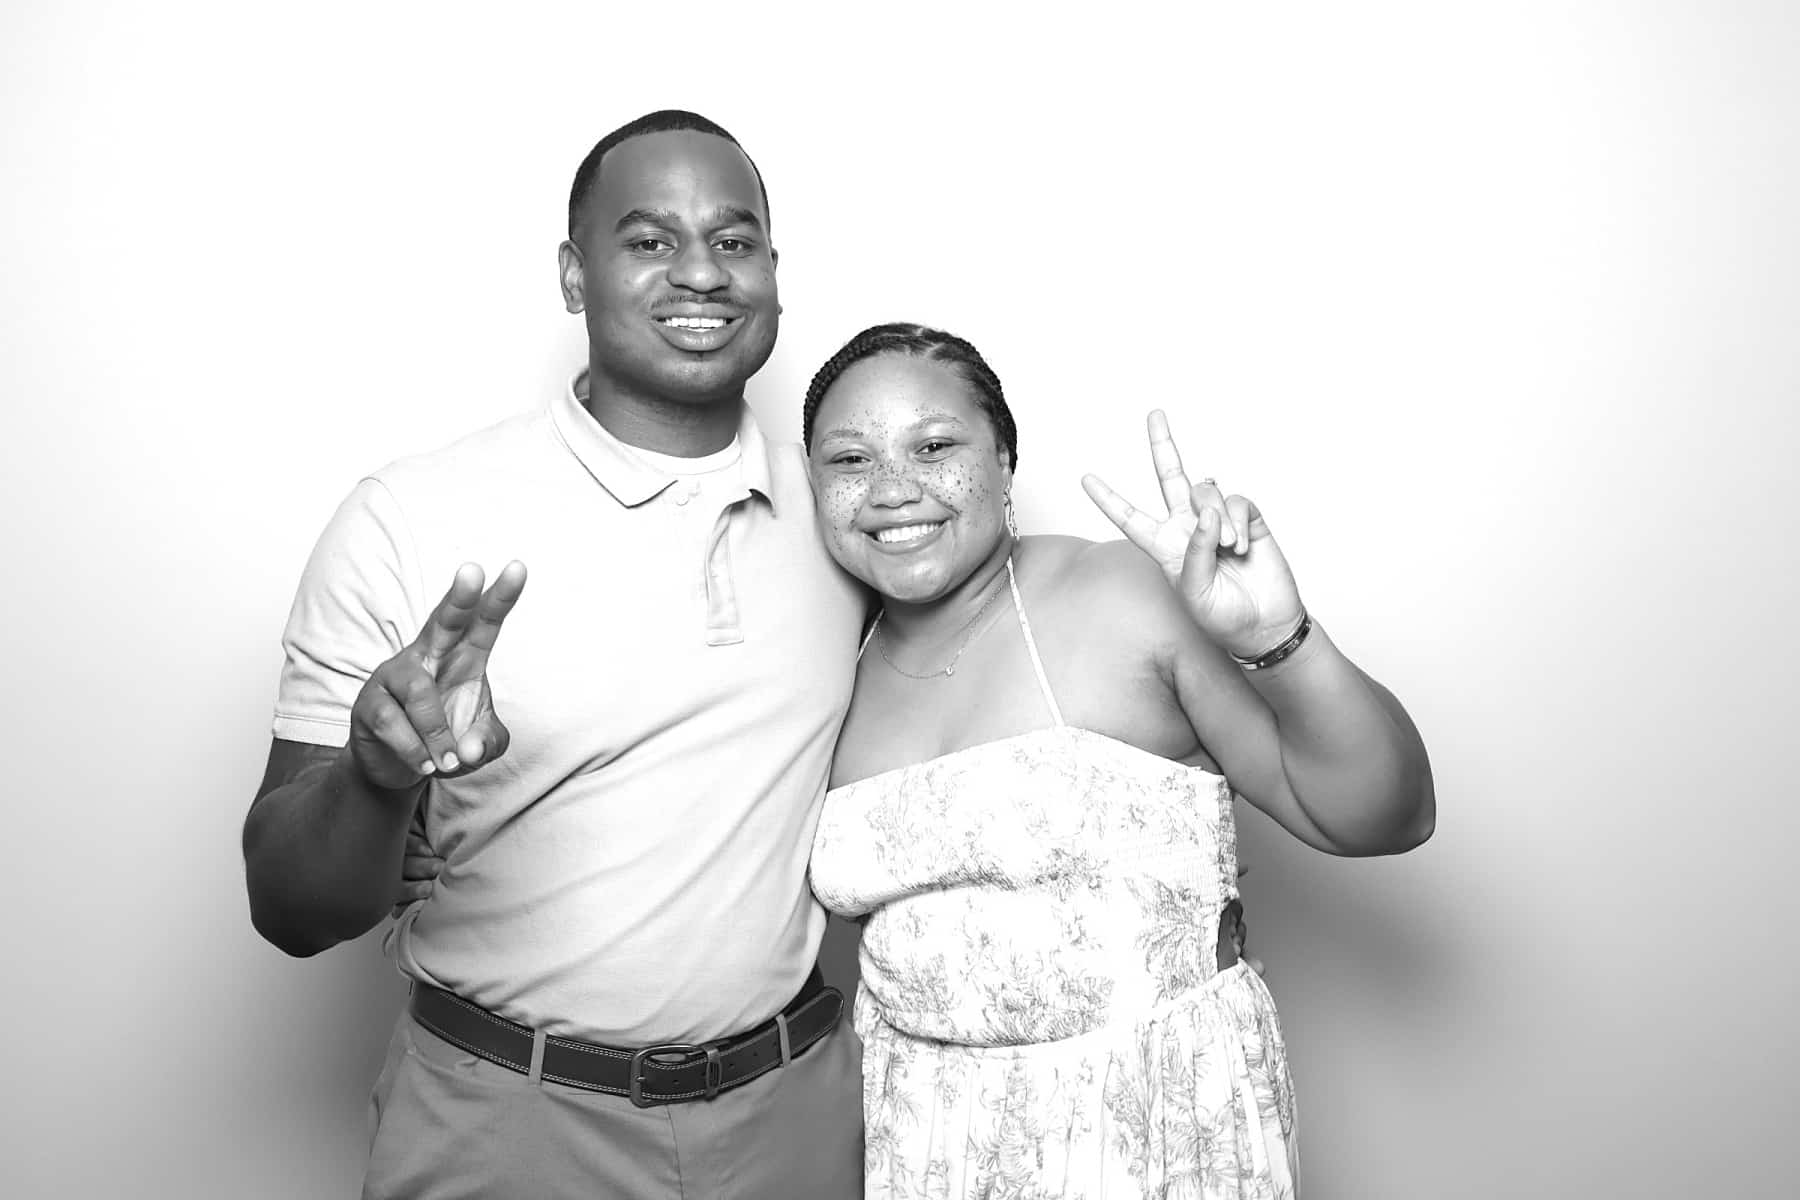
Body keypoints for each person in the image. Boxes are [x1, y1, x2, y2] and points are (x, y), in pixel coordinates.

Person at [241, 111, 867, 1199]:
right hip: (507, 1126)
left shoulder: (850, 517)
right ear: (575, 277)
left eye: (733, 240)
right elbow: (287, 908)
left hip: (793, 1118)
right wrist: (377, 780)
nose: (701, 273)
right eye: (649, 240)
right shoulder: (408, 519)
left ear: (774, 272)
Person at [802, 323, 1436, 1198]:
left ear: (1005, 461)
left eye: (935, 447)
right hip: (917, 1140)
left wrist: (1278, 638)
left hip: (1148, 1128)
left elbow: (1387, 815)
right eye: (849, 460)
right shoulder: (827, 666)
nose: (892, 489)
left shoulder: (1123, 597)